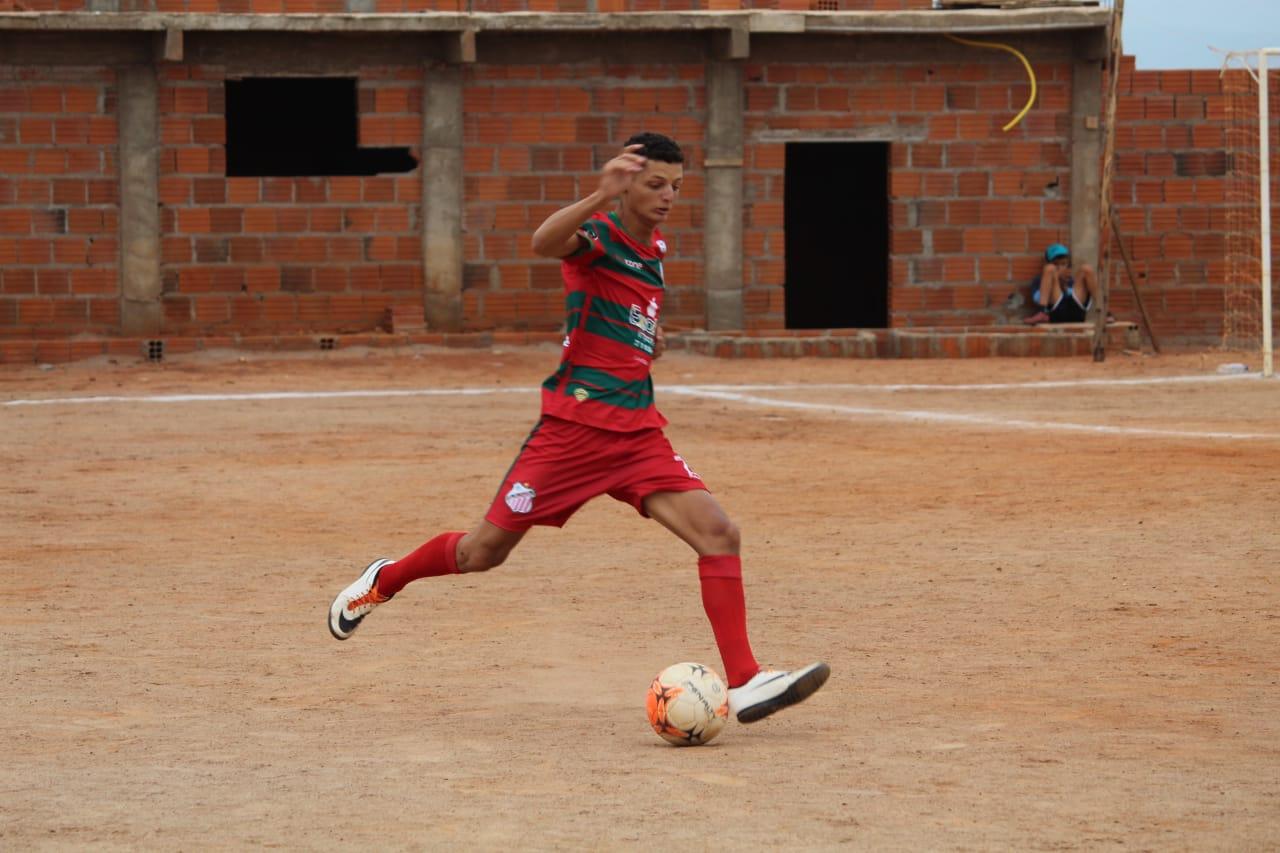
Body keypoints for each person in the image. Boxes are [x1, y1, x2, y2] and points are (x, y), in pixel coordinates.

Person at [328, 132, 830, 726]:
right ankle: (384, 579)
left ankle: (745, 681)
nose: (667, 195)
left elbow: (625, 310)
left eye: (675, 185)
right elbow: (544, 242)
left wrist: (648, 337)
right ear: (625, 183)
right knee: (481, 553)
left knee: (719, 533)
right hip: (571, 434)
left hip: (638, 435)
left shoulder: (654, 246)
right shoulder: (598, 237)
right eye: (653, 184)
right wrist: (600, 194)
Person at [1023, 243, 1102, 325]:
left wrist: (1065, 287)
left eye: (1063, 264)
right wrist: (1056, 281)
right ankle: (1042, 313)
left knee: (1086, 268)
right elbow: (1037, 299)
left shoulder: (1070, 280)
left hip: (1076, 312)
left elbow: (1077, 297)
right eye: (1056, 264)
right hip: (1055, 312)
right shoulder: (1040, 279)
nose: (1060, 268)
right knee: (1049, 269)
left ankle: (1104, 312)